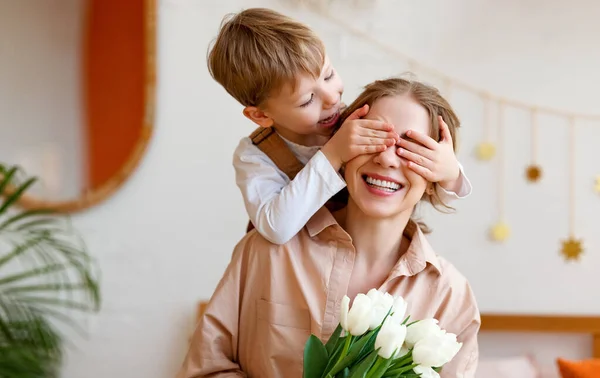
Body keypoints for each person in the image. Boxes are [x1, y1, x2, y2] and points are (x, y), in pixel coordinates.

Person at [176, 77, 481, 378]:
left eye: (412, 148)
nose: (387, 158)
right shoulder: (266, 253)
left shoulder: (450, 296)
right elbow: (205, 369)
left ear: (434, 180)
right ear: (342, 151)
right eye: (372, 136)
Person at [207, 8, 473, 244]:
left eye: (329, 75)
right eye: (308, 99)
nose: (332, 98)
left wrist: (449, 174)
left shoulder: (358, 120)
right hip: (292, 269)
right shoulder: (255, 156)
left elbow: (422, 185)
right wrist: (333, 153)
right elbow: (277, 228)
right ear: (260, 116)